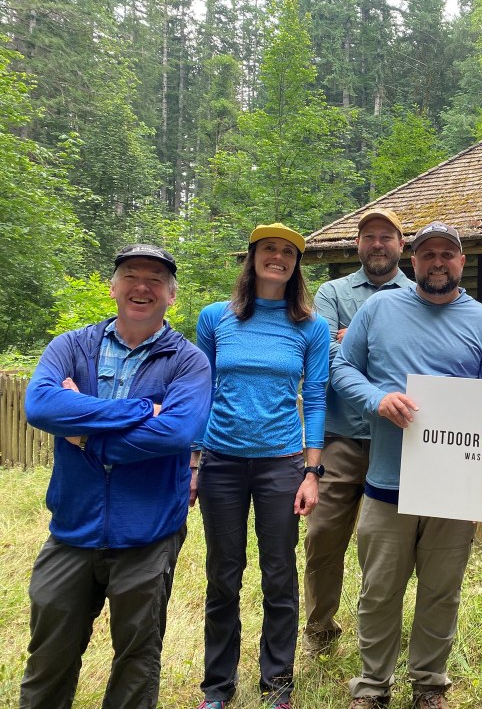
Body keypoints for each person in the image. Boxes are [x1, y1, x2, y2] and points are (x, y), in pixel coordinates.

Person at [330, 221, 482, 709]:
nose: (437, 262)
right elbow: (342, 367)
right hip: (387, 480)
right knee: (378, 591)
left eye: (447, 254)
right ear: (413, 262)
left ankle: (429, 685)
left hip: (453, 488)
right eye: (428, 254)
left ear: (461, 262)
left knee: (441, 592)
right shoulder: (379, 309)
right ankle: (372, 687)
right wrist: (375, 398)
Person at [20, 244, 212, 709]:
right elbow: (41, 406)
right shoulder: (71, 346)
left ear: (172, 295)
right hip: (72, 529)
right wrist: (143, 409)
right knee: (48, 658)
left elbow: (176, 432)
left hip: (148, 534)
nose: (141, 287)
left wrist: (84, 434)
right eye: (130, 275)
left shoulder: (189, 361)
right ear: (113, 287)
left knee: (136, 662)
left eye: (155, 280)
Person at [192, 223, 331, 709]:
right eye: (269, 249)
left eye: (288, 252)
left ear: (296, 265)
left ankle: (278, 684)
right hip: (221, 462)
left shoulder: (310, 326)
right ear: (252, 258)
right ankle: (217, 687)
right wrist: (194, 462)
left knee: (279, 573)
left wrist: (312, 472)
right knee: (223, 574)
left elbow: (316, 398)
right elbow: (200, 392)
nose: (279, 257)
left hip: (281, 464)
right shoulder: (215, 318)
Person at [303, 208, 415, 653]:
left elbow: (412, 356)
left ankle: (382, 633)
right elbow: (327, 355)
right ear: (358, 245)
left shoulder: (417, 294)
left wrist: (352, 338)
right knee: (323, 535)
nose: (377, 243)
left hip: (400, 439)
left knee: (390, 545)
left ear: (401, 245)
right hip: (341, 437)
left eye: (386, 236)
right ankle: (320, 630)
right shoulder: (332, 292)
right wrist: (366, 344)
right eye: (369, 236)